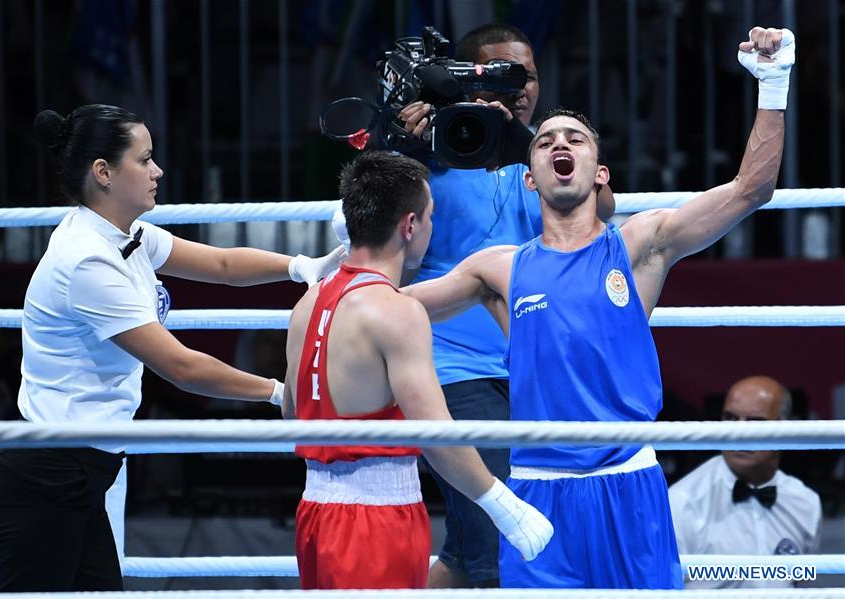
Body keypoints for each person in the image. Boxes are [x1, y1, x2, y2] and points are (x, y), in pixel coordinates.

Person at [402, 26, 794, 588]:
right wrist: (339, 262)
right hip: (536, 487)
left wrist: (773, 83)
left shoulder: (640, 245)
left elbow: (751, 188)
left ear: (599, 173)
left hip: (628, 482)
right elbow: (391, 309)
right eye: (545, 141)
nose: (559, 144)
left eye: (575, 139)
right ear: (530, 179)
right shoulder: (499, 268)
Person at [0, 104, 344, 592]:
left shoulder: (124, 235)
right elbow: (180, 365)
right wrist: (278, 392)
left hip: (83, 466)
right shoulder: (87, 260)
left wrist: (301, 267)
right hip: (51, 470)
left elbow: (220, 264)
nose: (159, 171)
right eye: (145, 159)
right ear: (103, 173)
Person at [398, 24, 614, 589]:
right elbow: (375, 229)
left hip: (529, 366)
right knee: (498, 536)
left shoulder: (549, 149)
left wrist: (526, 141)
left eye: (526, 76)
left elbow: (604, 209)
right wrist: (405, 146)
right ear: (464, 79)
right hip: (450, 368)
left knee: (475, 545)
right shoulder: (433, 148)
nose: (516, 87)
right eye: (497, 72)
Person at [281, 150, 554, 590]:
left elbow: (293, 416)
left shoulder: (307, 304)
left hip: (315, 511)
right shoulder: (398, 312)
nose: (432, 227)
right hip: (378, 520)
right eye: (429, 217)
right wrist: (505, 506)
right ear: (410, 225)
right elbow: (436, 434)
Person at [669, 376, 822, 589]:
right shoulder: (681, 501)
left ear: (786, 429)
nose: (739, 432)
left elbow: (803, 590)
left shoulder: (807, 504)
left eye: (755, 422)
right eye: (731, 419)